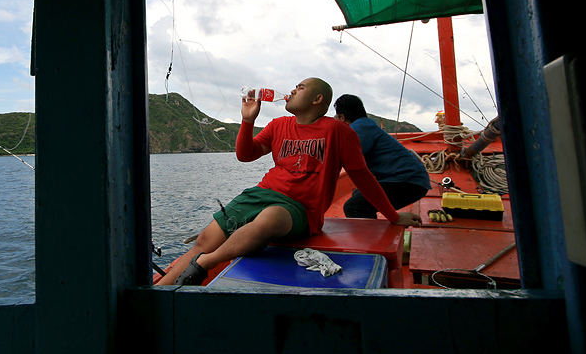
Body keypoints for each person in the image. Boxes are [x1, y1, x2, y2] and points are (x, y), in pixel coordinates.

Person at [159, 78, 422, 286]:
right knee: (205, 237)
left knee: (269, 220)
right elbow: (245, 155)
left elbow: (362, 177)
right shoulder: (277, 125)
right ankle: (160, 291)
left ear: (318, 99)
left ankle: (205, 264)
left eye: (300, 87)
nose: (293, 91)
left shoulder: (338, 131)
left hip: (300, 207)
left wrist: (393, 216)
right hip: (262, 193)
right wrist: (248, 120)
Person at [333, 94, 431, 219]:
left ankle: (371, 238)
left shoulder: (358, 128)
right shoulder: (367, 125)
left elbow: (343, 156)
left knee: (354, 206)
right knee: (359, 195)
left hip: (408, 182)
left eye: (337, 117)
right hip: (412, 178)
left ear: (341, 117)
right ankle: (374, 230)